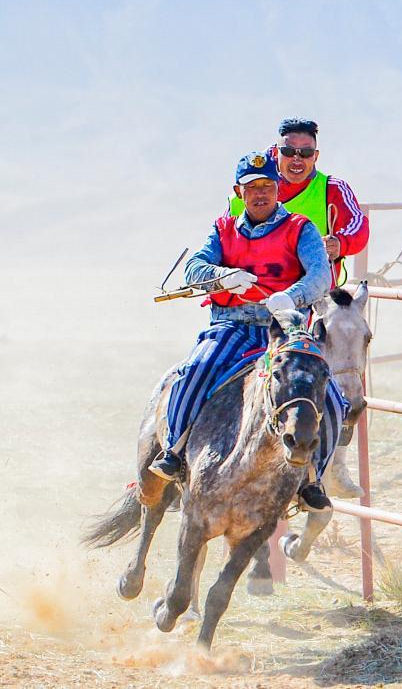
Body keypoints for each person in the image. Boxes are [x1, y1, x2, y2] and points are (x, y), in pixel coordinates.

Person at [151, 151, 348, 513]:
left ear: (278, 189)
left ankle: (313, 479)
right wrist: (222, 276)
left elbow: (321, 275)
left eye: (268, 186)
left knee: (332, 395)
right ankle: (174, 451)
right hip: (232, 324)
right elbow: (194, 267)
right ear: (238, 192)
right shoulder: (222, 229)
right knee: (194, 371)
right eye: (252, 187)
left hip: (285, 329)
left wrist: (292, 296)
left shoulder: (300, 229)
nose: (261, 194)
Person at [227, 118, 369, 286]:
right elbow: (219, 245)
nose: (297, 159)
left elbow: (358, 226)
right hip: (255, 297)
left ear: (315, 156)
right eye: (288, 151)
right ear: (275, 152)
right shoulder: (244, 193)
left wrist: (339, 243)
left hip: (315, 298)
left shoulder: (332, 189)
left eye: (306, 153)